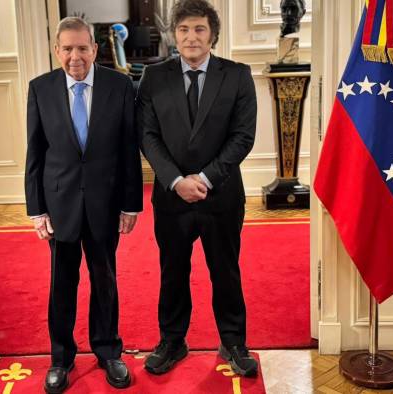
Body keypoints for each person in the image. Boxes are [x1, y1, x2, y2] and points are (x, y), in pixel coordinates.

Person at [137, 0, 258, 378]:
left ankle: (234, 341)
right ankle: (172, 341)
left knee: (225, 270)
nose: (192, 36)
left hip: (220, 195)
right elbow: (148, 135)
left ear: (213, 35)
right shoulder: (154, 77)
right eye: (185, 29)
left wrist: (203, 179)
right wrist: (176, 180)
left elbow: (242, 137)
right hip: (171, 198)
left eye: (200, 29)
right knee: (172, 271)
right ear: (175, 34)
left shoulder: (237, 75)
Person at [25, 16, 143, 393]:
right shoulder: (40, 89)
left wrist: (131, 204)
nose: (75, 56)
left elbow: (129, 150)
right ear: (56, 50)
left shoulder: (120, 86)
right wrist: (36, 209)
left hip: (105, 204)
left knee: (105, 281)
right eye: (67, 48)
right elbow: (35, 153)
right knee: (62, 284)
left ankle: (108, 351)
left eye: (82, 48)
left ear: (95, 49)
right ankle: (61, 358)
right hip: (59, 206)